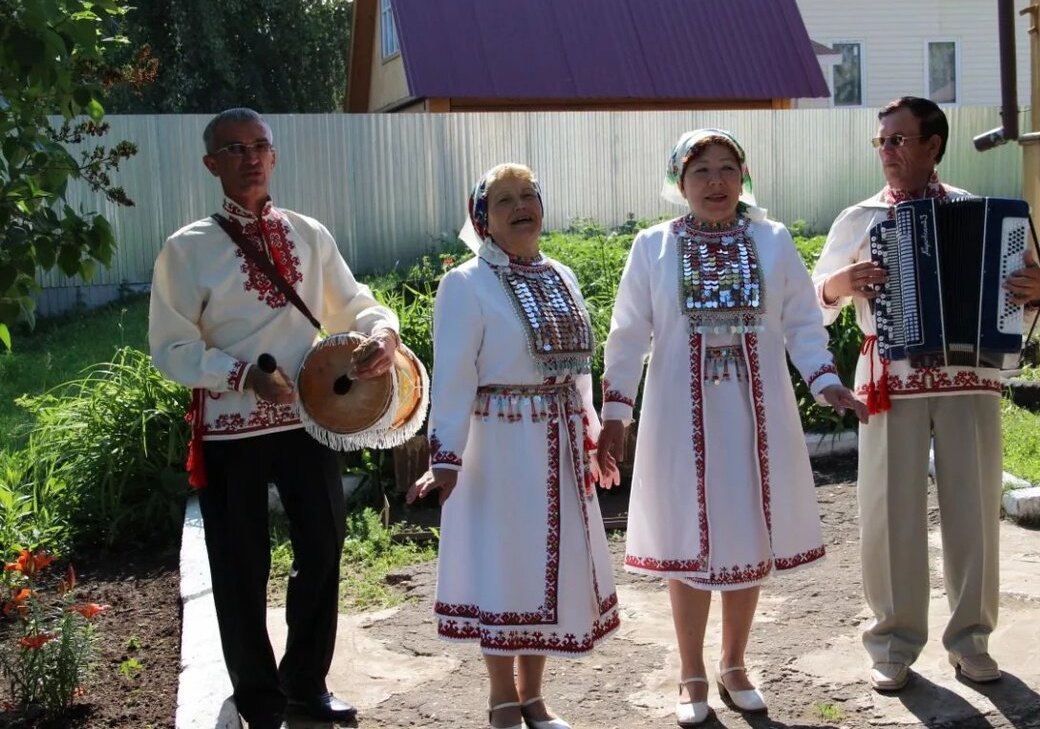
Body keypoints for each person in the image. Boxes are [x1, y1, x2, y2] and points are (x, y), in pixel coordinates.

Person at [595, 129, 867, 726]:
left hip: (754, 413)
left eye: (727, 169)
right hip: (676, 416)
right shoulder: (653, 247)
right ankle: (691, 671)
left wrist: (826, 381)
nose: (715, 183)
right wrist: (616, 415)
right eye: (701, 172)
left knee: (749, 532)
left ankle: (735, 663)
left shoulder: (771, 241)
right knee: (686, 536)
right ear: (680, 183)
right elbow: (628, 333)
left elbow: (801, 321)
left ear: (745, 177)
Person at [150, 108, 401, 729]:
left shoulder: (309, 233)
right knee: (240, 567)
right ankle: (259, 702)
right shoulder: (187, 249)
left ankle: (306, 687)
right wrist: (241, 376)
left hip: (310, 422)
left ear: (275, 155)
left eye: (260, 145)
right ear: (212, 164)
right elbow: (170, 348)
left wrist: (384, 332)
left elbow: (355, 304)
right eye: (234, 149)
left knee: (323, 548)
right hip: (232, 430)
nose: (251, 157)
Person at [811, 96, 1040, 692]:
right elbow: (813, 299)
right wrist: (840, 283)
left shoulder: (988, 215)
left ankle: (972, 640)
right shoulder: (859, 219)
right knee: (889, 512)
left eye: (898, 140)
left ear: (932, 145)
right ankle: (893, 642)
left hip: (971, 375)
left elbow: (1032, 289)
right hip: (891, 378)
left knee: (974, 512)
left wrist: (1037, 288)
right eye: (881, 141)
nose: (887, 152)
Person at [406, 163, 620, 729]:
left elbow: (580, 373)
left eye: (528, 195)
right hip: (497, 449)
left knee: (548, 574)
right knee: (506, 568)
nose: (521, 205)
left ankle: (535, 697)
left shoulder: (563, 276)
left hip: (561, 442)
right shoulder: (466, 283)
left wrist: (595, 438)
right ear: (484, 220)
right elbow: (451, 375)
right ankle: (502, 695)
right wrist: (445, 460)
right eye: (504, 200)